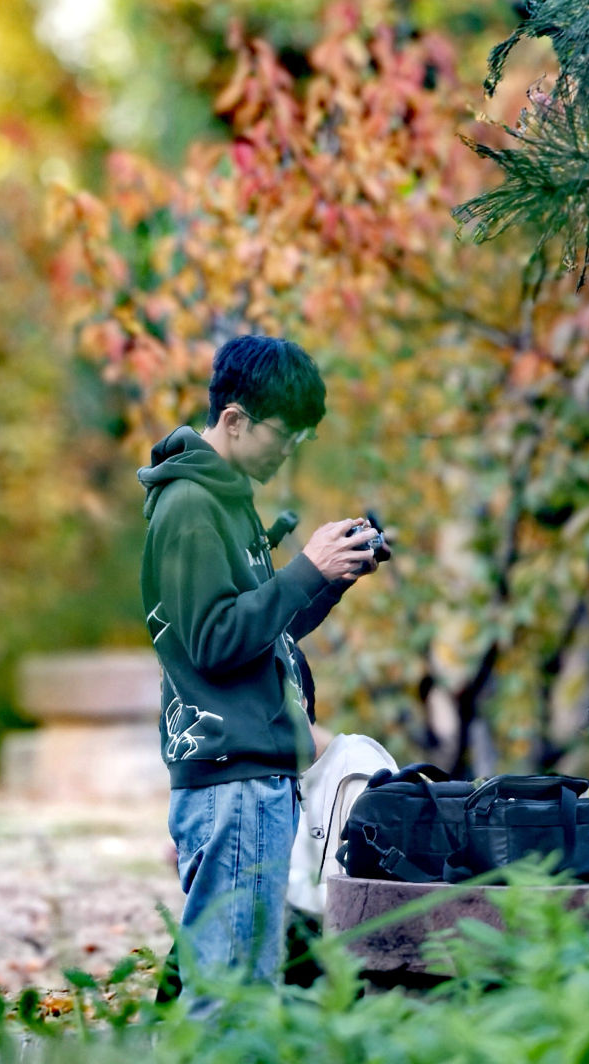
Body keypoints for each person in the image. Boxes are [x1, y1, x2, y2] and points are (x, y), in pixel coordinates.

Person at [137, 334, 387, 998]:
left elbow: (261, 634)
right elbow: (213, 643)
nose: (289, 449)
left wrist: (328, 578)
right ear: (236, 419)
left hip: (251, 773)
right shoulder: (194, 507)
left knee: (247, 989)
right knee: (229, 998)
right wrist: (303, 569)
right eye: (284, 432)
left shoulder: (226, 499)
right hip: (233, 776)